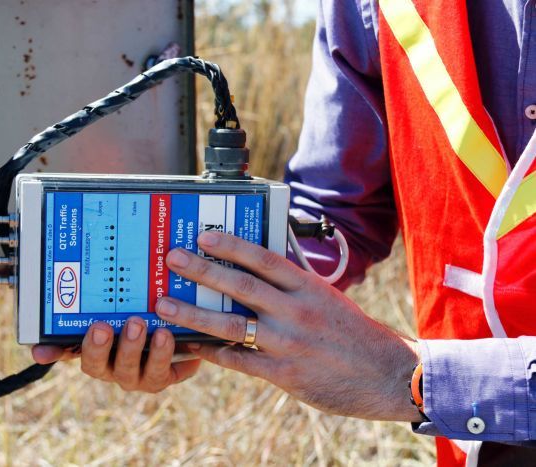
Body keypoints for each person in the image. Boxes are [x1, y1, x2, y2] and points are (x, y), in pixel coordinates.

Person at [33, 0, 536, 464]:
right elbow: (336, 212)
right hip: (468, 441)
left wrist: (405, 376)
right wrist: (201, 303)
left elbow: (402, 376)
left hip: (445, 401)